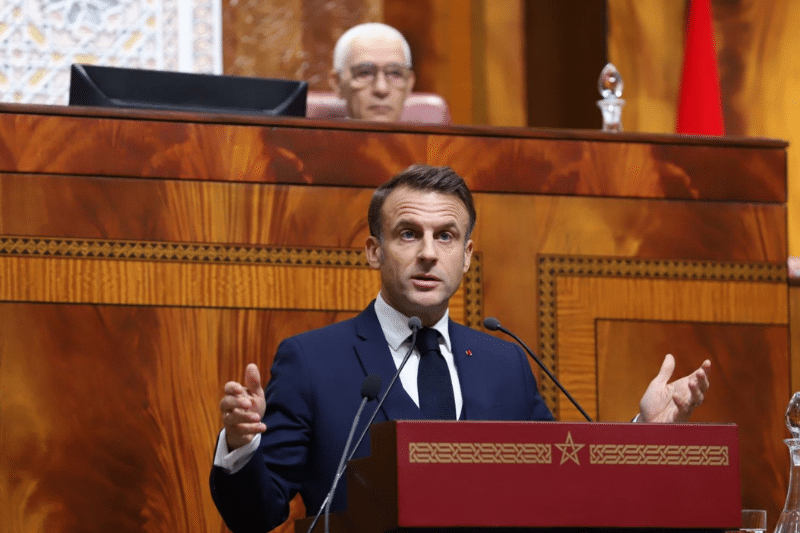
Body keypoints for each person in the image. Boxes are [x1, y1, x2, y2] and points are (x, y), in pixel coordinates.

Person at [209, 165, 711, 533]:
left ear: (467, 256)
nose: (428, 252)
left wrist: (644, 430)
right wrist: (240, 444)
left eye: (446, 236)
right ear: (374, 251)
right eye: (409, 234)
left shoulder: (503, 362)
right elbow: (256, 515)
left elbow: (569, 487)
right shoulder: (312, 361)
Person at [328, 22, 415, 122]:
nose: (381, 89)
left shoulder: (432, 137)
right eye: (365, 73)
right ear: (337, 83)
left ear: (409, 84)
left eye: (395, 73)